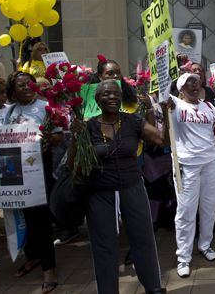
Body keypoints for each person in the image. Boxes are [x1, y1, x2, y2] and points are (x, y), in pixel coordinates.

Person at [68, 80, 171, 294]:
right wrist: (74, 138)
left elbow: (163, 141)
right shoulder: (88, 126)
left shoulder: (133, 121)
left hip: (132, 187)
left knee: (143, 238)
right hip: (100, 192)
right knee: (104, 245)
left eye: (116, 94)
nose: (112, 97)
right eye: (106, 94)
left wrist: (167, 116)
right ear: (97, 100)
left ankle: (153, 287)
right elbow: (73, 167)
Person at [4, 71, 63, 293]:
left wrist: (49, 137)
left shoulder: (45, 107)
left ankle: (49, 268)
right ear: (13, 90)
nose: (27, 87)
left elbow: (58, 135)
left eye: (30, 83)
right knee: (26, 213)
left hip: (39, 166)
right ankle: (34, 256)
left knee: (39, 216)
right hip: (16, 168)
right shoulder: (11, 111)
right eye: (21, 85)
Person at [169, 73, 215, 278]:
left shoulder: (209, 106)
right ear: (180, 89)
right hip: (187, 165)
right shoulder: (174, 104)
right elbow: (160, 96)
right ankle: (183, 256)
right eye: (188, 83)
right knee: (186, 211)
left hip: (212, 162)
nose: (194, 85)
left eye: (197, 82)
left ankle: (205, 244)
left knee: (209, 206)